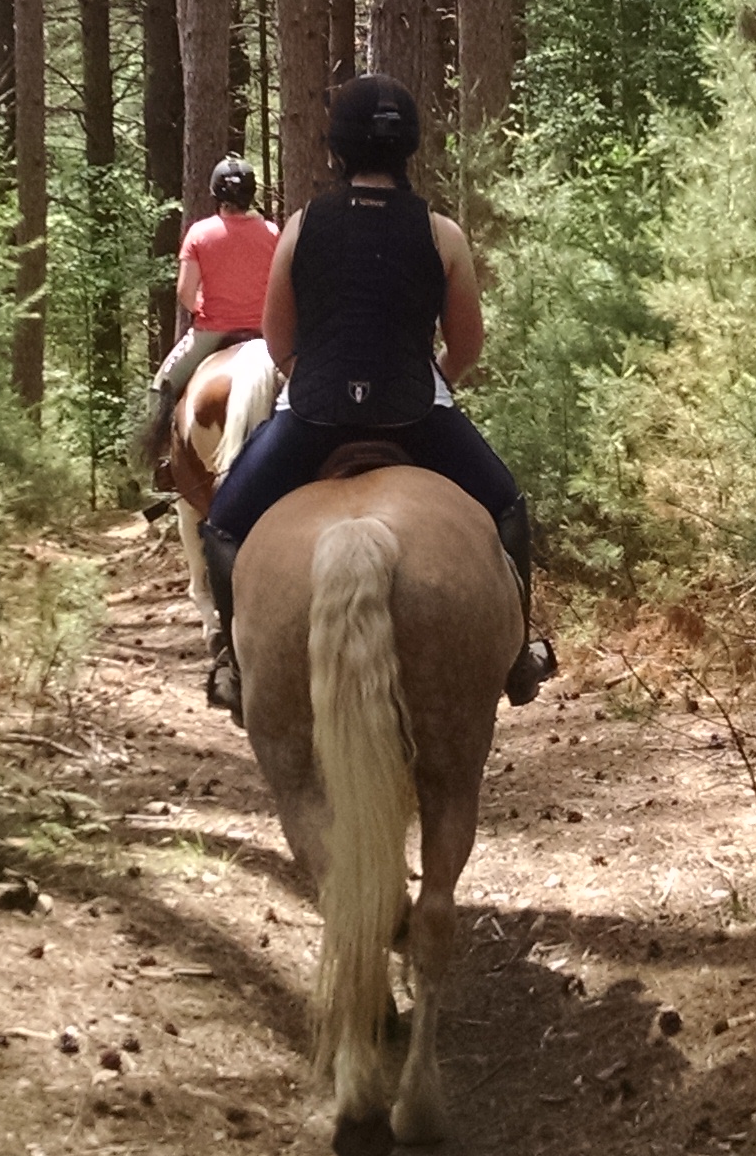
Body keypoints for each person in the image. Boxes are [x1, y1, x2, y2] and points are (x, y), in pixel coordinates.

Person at [199, 75, 555, 716]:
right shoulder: (442, 232)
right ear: (408, 149)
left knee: (222, 523)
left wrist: (315, 375)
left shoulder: (303, 227)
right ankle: (520, 653)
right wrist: (433, 377)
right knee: (508, 510)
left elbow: (279, 342)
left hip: (312, 413)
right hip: (415, 411)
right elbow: (467, 347)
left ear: (338, 149)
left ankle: (231, 661)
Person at [128, 157, 281, 484]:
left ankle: (165, 464)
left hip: (212, 332)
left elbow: (185, 292)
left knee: (163, 384)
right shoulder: (271, 232)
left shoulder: (199, 233)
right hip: (266, 335)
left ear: (216, 194)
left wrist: (205, 308)